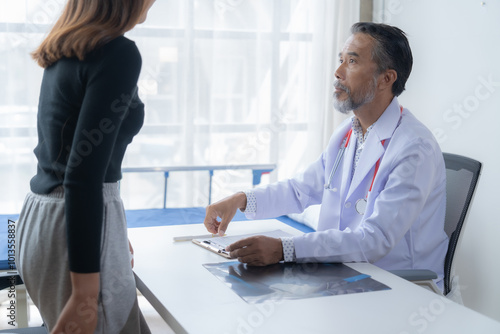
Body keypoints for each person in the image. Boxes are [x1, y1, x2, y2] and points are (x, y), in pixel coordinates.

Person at [204, 22, 449, 288]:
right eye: (341, 60)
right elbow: (301, 190)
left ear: (386, 79)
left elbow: (375, 240)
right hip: (344, 273)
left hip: (401, 286)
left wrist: (284, 249)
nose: (338, 71)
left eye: (352, 61)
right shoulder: (348, 133)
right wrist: (241, 200)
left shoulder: (414, 148)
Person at [16, 0, 156, 333]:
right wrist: (85, 292)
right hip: (71, 227)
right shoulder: (118, 53)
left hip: (42, 219)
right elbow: (82, 175)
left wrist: (110, 232)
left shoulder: (68, 48)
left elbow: (72, 159)